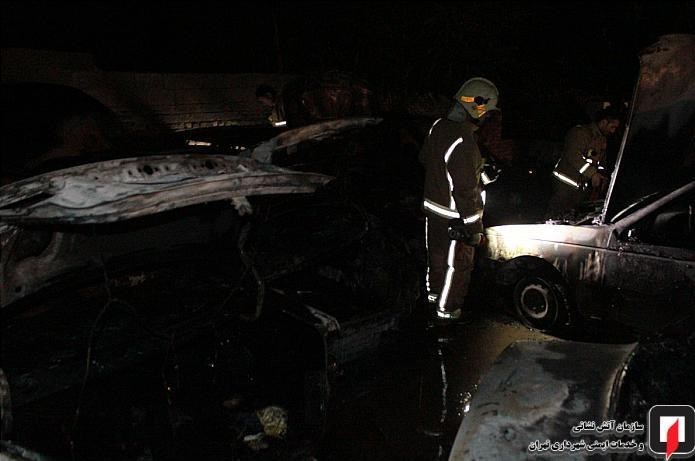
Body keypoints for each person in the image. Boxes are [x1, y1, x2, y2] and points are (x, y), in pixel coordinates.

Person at [419, 77, 499, 323]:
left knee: (437, 260)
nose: (487, 118)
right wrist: (474, 229)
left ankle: (432, 300)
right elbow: (465, 190)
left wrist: (479, 169)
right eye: (487, 112)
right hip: (457, 220)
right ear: (478, 107)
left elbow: (427, 159)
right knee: (458, 267)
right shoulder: (464, 141)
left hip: (434, 213)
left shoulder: (438, 127)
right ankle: (448, 313)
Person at [547, 105, 622, 216]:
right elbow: (573, 156)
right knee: (554, 216)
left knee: (572, 218)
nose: (613, 131)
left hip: (580, 188)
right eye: (612, 127)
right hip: (564, 185)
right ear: (603, 122)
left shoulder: (602, 140)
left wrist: (602, 175)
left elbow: (600, 162)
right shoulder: (580, 133)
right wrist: (592, 174)